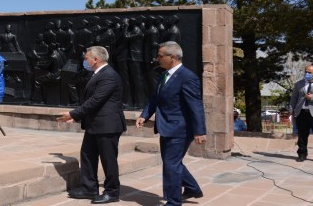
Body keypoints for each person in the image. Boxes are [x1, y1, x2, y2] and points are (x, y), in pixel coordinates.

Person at [136, 41, 206, 206]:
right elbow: (155, 99)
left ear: (172, 57)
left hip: (180, 129)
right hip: (166, 127)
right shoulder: (164, 75)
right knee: (173, 162)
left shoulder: (188, 77)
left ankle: (173, 202)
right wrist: (144, 115)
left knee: (170, 164)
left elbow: (195, 106)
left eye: (160, 56)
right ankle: (192, 188)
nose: (157, 59)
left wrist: (199, 131)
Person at [57, 46, 126, 204]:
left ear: (96, 59)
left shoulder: (109, 75)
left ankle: (112, 192)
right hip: (94, 124)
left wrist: (74, 114)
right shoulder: (98, 74)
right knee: (87, 155)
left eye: (86, 58)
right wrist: (78, 116)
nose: (84, 61)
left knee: (108, 159)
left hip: (108, 125)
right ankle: (89, 188)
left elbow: (96, 100)